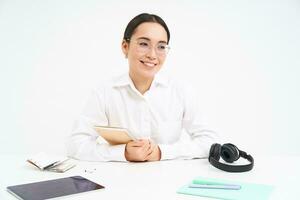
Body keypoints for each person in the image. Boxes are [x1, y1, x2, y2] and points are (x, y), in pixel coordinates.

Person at [66, 13, 218, 162]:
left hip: (169, 179)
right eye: (144, 44)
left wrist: (161, 152)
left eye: (161, 46)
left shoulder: (181, 90)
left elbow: (210, 141)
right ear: (125, 47)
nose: (152, 55)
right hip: (118, 180)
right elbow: (76, 144)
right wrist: (122, 153)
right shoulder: (105, 91)